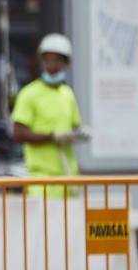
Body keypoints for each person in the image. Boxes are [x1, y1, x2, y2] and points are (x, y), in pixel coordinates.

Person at [12, 33, 88, 197]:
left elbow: (74, 126)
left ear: (66, 64)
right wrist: (52, 137)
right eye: (48, 60)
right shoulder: (29, 93)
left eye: (58, 61)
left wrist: (78, 135)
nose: (52, 66)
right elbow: (18, 133)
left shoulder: (67, 94)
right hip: (41, 182)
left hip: (69, 179)